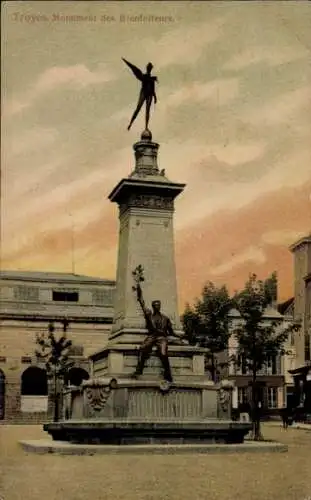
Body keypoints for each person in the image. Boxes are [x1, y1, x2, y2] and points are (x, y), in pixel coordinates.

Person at [131, 274, 185, 382]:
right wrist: (138, 286)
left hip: (161, 338)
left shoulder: (165, 318)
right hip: (151, 336)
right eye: (155, 305)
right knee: (142, 348)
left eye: (158, 305)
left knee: (163, 353)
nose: (157, 306)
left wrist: (179, 337)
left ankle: (168, 373)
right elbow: (141, 301)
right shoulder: (149, 314)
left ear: (160, 306)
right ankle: (138, 370)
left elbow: (171, 332)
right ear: (153, 306)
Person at [122, 58, 158, 131]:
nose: (149, 69)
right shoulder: (145, 76)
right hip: (144, 93)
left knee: (147, 111)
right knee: (138, 108)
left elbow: (153, 89)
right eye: (148, 67)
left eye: (150, 68)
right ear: (147, 68)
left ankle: (146, 127)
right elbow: (135, 70)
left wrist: (155, 97)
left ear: (150, 69)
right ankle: (131, 123)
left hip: (149, 94)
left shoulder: (151, 79)